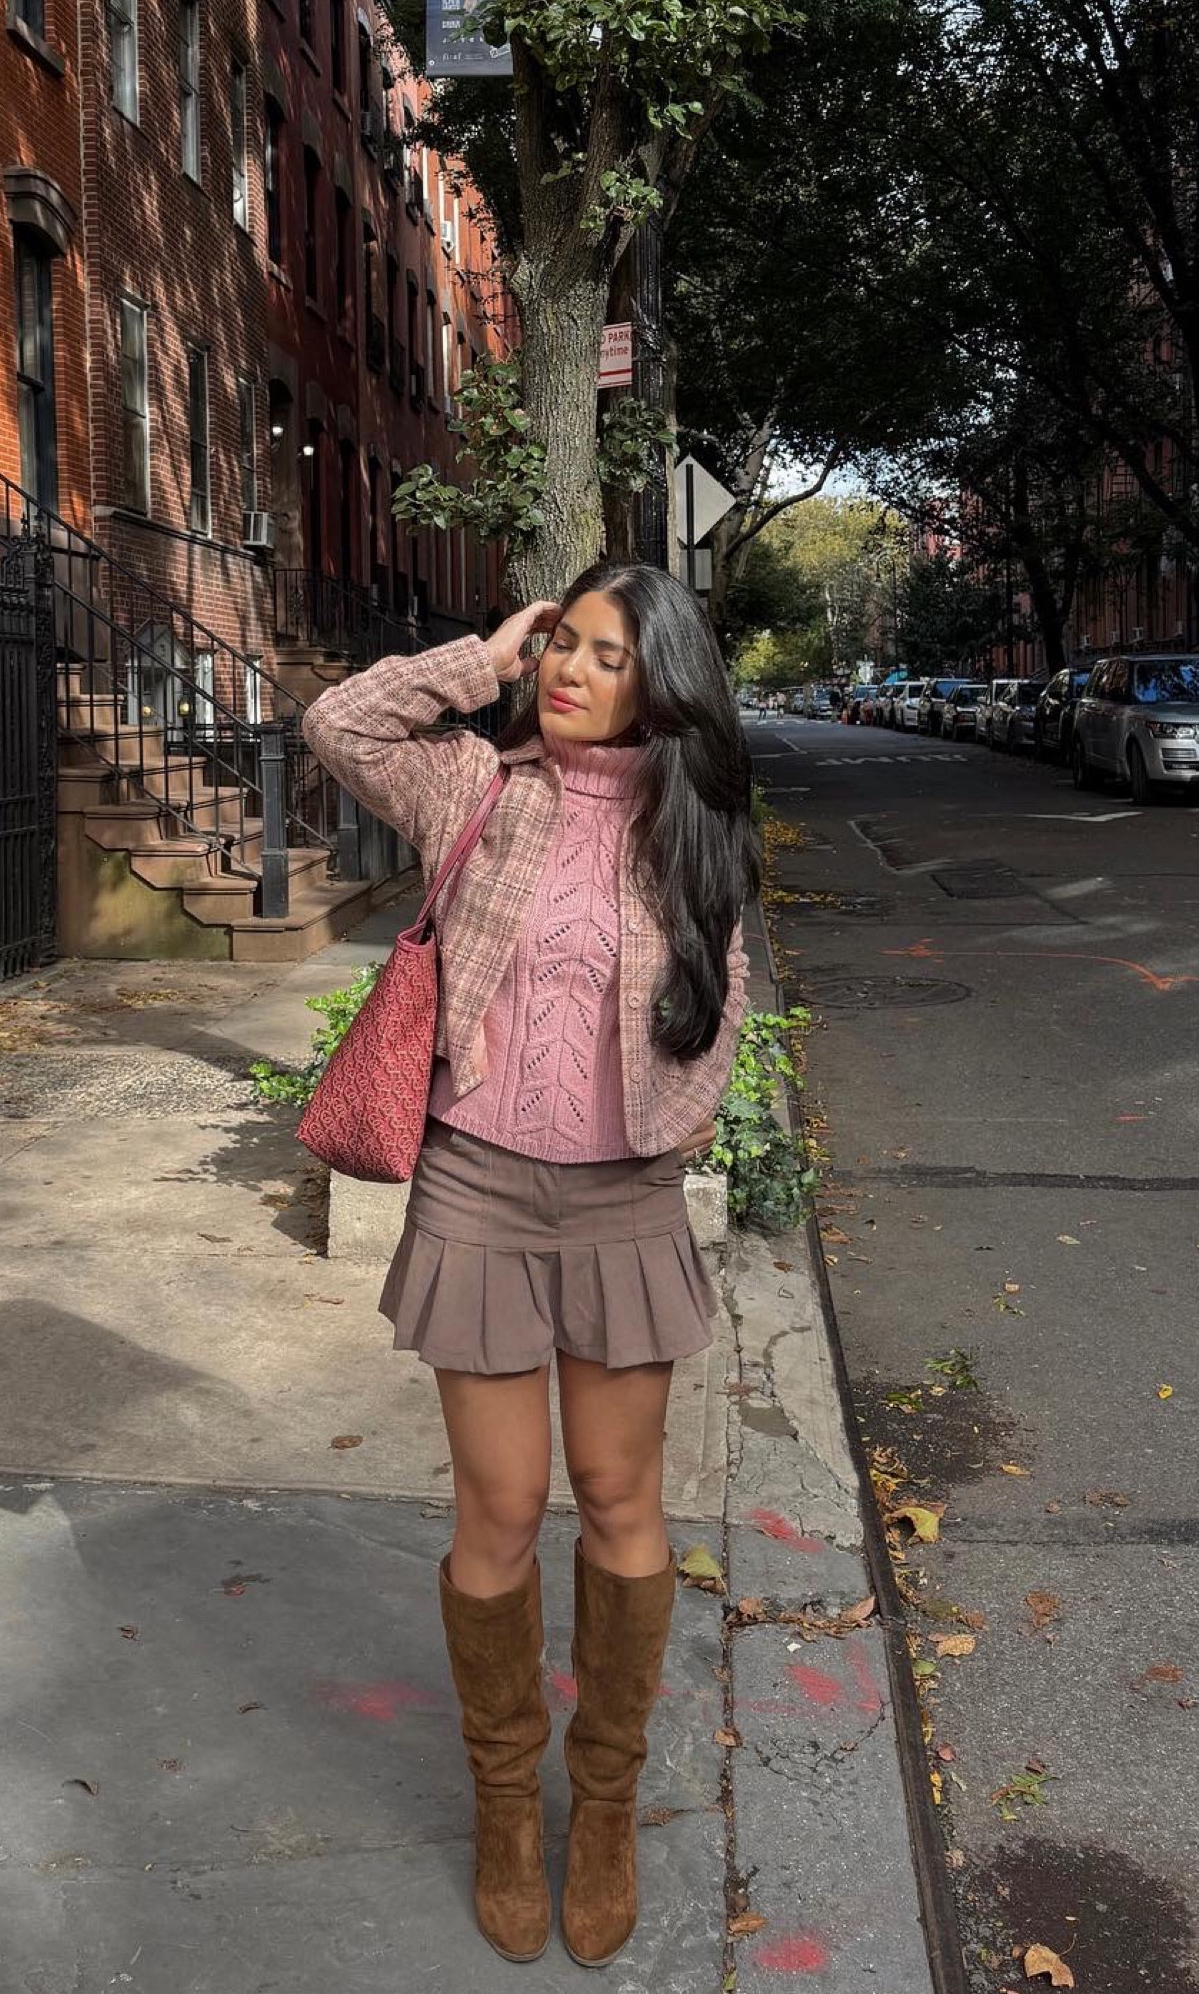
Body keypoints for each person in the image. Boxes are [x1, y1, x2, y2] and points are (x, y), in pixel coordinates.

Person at [301, 561, 758, 1968]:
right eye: (563, 641)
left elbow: (719, 1006)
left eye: (605, 655)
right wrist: (477, 659)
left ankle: (604, 1803)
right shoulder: (476, 791)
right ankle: (510, 1805)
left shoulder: (702, 833)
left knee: (623, 1498)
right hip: (482, 1193)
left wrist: (670, 1139)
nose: (569, 670)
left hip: (624, 1203)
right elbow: (340, 725)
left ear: (662, 685)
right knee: (497, 1509)